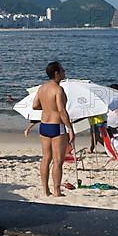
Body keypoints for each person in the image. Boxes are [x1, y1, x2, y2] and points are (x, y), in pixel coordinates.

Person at [32, 61, 75, 197]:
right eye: (62, 70)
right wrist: (70, 128)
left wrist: (47, 108)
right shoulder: (58, 90)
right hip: (57, 126)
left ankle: (45, 190)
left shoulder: (42, 88)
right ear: (56, 73)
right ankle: (57, 191)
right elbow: (62, 110)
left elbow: (34, 105)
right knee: (57, 161)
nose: (64, 72)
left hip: (44, 125)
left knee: (46, 158)